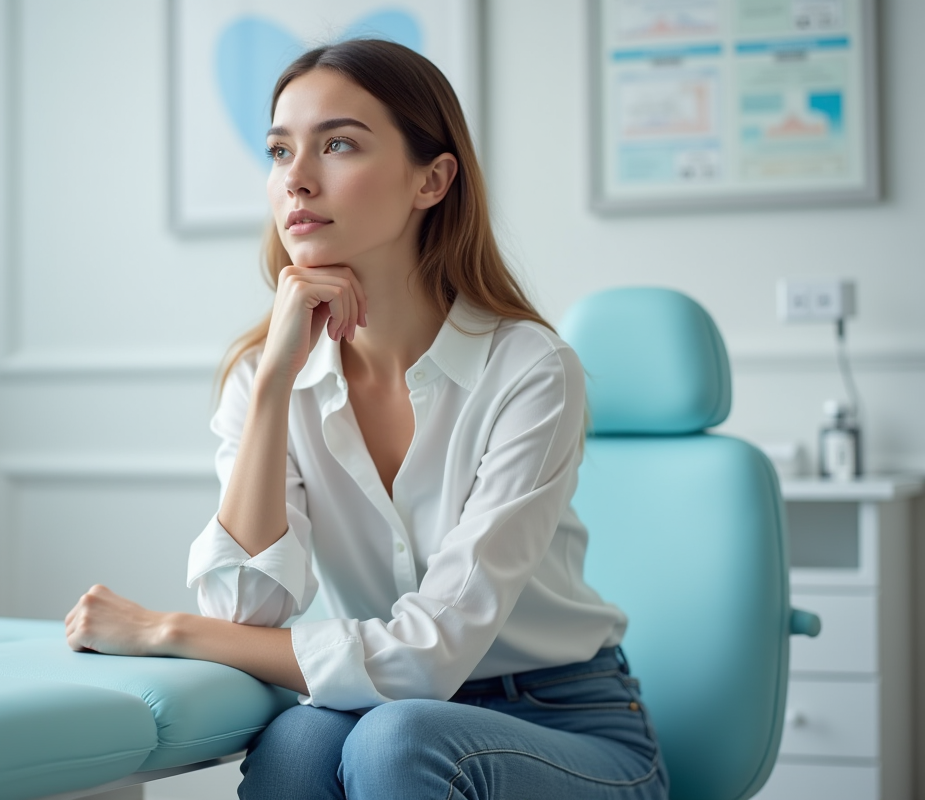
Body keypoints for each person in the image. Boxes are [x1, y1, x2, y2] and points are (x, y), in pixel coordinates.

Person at [65, 38, 669, 800]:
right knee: (294, 746)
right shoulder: (264, 375)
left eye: (338, 144)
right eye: (279, 151)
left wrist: (167, 630)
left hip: (565, 722)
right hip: (386, 710)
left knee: (398, 742)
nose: (297, 179)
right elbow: (246, 607)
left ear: (432, 179)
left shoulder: (530, 369)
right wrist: (275, 383)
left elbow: (428, 655)